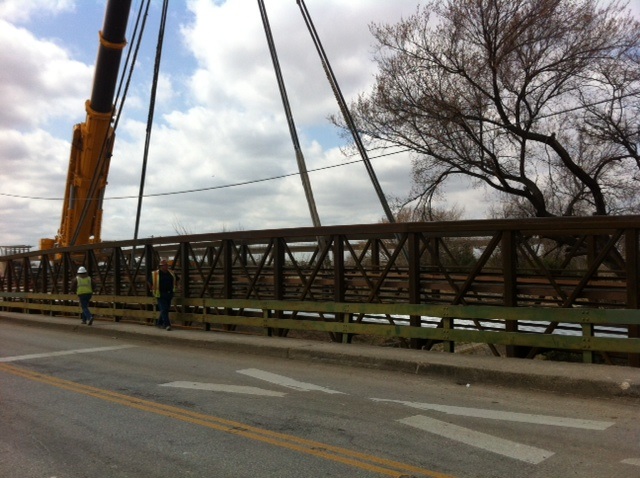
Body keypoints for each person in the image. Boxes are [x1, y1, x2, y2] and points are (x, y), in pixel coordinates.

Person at [149, 259, 177, 331]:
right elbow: (149, 281)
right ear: (160, 266)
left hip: (169, 293)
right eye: (164, 265)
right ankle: (167, 325)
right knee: (164, 309)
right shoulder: (155, 274)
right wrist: (152, 288)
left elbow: (177, 279)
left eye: (167, 265)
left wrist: (177, 286)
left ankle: (159, 323)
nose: (166, 266)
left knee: (165, 309)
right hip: (160, 294)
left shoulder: (171, 273)